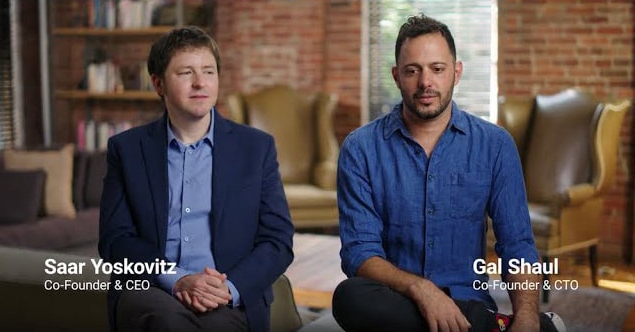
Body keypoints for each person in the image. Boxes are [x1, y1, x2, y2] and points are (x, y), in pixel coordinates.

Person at [332, 14, 565, 332]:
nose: (425, 82)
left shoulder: (494, 145)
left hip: (465, 299)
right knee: (349, 297)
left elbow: (517, 245)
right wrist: (421, 290)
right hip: (396, 302)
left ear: (456, 73)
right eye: (412, 70)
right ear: (397, 76)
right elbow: (359, 253)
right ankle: (490, 327)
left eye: (437, 69)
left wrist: (525, 318)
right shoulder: (360, 148)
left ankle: (487, 321)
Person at [98, 26, 294, 332]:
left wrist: (229, 288)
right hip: (153, 290)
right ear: (158, 83)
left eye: (209, 71)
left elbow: (277, 241)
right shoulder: (126, 150)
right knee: (165, 320)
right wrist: (177, 280)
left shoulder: (256, 148)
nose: (200, 83)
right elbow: (115, 240)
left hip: (226, 294)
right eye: (186, 72)